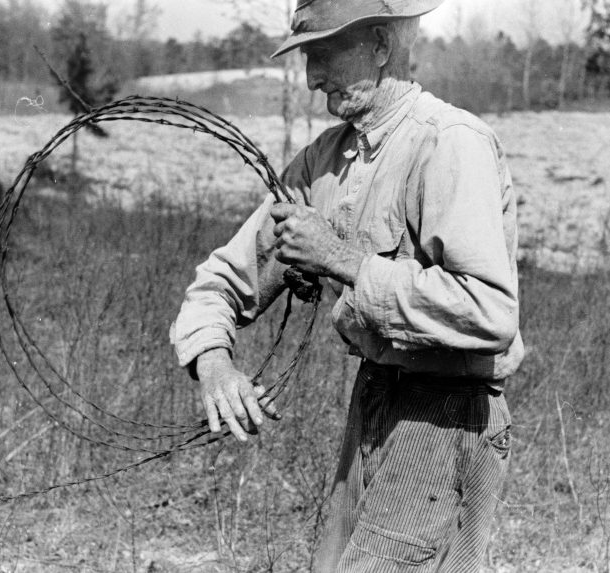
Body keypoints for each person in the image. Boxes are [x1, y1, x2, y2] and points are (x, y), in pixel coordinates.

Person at [170, 0, 525, 570]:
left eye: (324, 53)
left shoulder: (450, 143)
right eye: (307, 56)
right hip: (375, 398)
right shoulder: (323, 162)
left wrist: (341, 258)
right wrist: (213, 362)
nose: (311, 78)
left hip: (447, 415)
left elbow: (488, 311)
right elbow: (227, 280)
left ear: (382, 45)